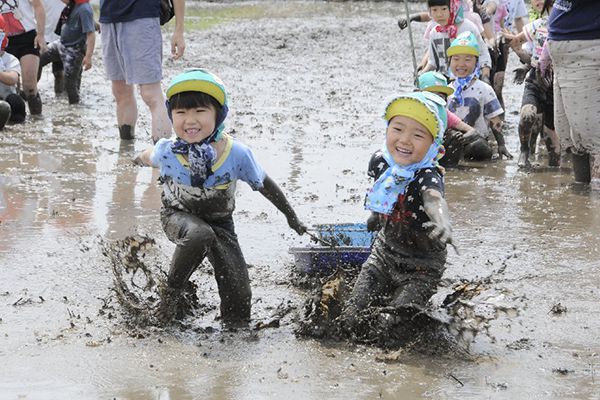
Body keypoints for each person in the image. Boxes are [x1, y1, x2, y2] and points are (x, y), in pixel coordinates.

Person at [135, 69, 307, 325]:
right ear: (171, 116)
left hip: (221, 223)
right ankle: (169, 297)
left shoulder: (236, 153)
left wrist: (292, 218)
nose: (190, 120)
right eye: (181, 113)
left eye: (200, 111)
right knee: (199, 234)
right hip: (177, 216)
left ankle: (231, 334)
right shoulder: (168, 150)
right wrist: (133, 159)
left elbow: (265, 184)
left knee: (239, 302)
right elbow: (147, 155)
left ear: (218, 114)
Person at [340, 92, 453, 337]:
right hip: (384, 254)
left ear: (434, 145)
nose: (405, 140)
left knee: (392, 326)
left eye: (418, 135)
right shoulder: (380, 162)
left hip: (421, 267)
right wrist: (375, 216)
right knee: (350, 315)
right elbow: (383, 193)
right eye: (398, 129)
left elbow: (434, 199)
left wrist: (442, 221)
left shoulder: (427, 175)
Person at [99, 0, 185, 142]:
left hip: (142, 16)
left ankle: (162, 157)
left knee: (150, 93)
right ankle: (125, 149)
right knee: (120, 91)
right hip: (108, 17)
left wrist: (179, 30)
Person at [546, 0, 600, 185]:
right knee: (569, 131)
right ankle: (581, 198)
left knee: (591, 134)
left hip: (587, 49)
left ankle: (591, 203)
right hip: (566, 55)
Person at [503, 0, 559, 168]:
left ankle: (554, 169)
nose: (539, 2)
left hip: (557, 82)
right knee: (527, 115)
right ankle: (524, 150)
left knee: (553, 140)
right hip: (536, 78)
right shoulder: (536, 25)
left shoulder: (565, 26)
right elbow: (516, 42)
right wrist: (527, 62)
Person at [446, 32, 512, 161]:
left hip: (477, 141)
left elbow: (495, 121)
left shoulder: (484, 89)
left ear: (476, 63)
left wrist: (501, 144)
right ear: (449, 62)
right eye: (456, 59)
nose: (461, 64)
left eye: (467, 59)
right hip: (454, 140)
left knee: (479, 147)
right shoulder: (447, 89)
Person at [417, 71, 480, 166]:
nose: (435, 100)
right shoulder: (412, 113)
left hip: (439, 154)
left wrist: (462, 138)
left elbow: (473, 132)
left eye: (440, 96)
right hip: (417, 152)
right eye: (430, 96)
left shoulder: (444, 114)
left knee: (454, 136)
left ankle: (450, 169)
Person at [38, 0, 95, 104]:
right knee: (37, 59)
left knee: (70, 84)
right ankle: (30, 89)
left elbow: (91, 34)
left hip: (74, 50)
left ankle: (74, 108)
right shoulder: (72, 5)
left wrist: (88, 56)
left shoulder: (84, 9)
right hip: (61, 43)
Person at [420, 0, 492, 82]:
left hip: (468, 80)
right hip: (444, 82)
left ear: (452, 8)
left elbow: (483, 54)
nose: (439, 14)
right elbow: (433, 62)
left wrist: (485, 76)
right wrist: (422, 75)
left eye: (444, 9)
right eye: (434, 10)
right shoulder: (434, 33)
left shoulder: (468, 28)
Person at [0, 0, 47, 116]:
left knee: (30, 86)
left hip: (27, 37)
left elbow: (38, 6)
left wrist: (41, 34)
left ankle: (37, 120)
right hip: (3, 41)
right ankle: (16, 123)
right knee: (10, 88)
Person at [0, 15, 27, 126]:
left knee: (16, 102)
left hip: (6, 98)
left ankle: (14, 125)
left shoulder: (10, 59)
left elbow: (12, 79)